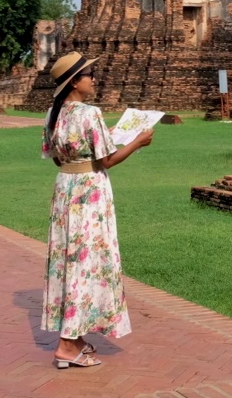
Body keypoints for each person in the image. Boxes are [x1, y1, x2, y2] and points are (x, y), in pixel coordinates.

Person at [40, 52, 153, 369]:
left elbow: (58, 158)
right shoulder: (89, 113)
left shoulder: (54, 112)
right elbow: (107, 160)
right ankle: (66, 345)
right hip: (90, 193)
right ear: (74, 82)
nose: (94, 79)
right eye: (89, 74)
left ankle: (73, 337)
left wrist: (109, 137)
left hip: (65, 189)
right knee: (86, 261)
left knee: (69, 260)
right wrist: (137, 142)